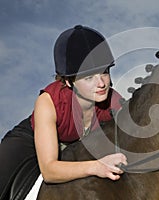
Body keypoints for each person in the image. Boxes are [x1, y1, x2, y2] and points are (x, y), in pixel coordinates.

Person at [0, 25, 127, 199]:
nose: (101, 84)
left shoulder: (113, 101)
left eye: (104, 72)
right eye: (89, 77)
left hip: (74, 145)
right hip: (28, 143)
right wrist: (97, 166)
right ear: (68, 81)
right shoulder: (48, 102)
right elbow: (49, 171)